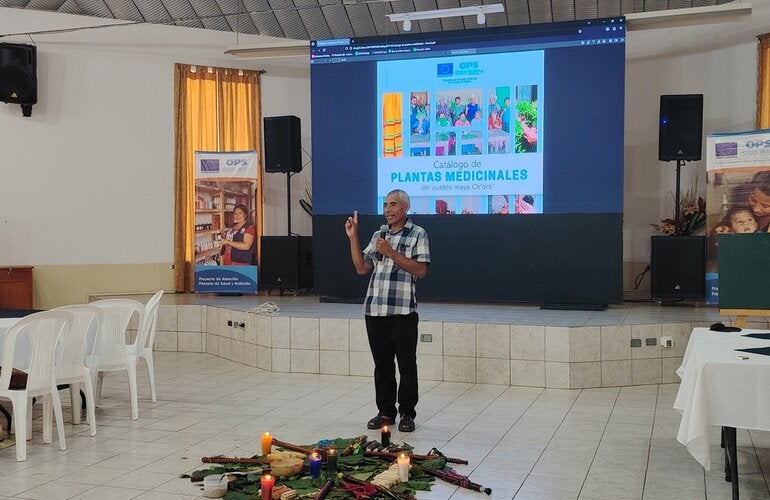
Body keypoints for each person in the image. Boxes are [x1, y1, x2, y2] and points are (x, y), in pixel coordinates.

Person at [344, 190, 430, 433]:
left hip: (402, 311)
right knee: (382, 365)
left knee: (406, 364)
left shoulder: (418, 234)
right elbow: (362, 268)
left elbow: (421, 270)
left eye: (393, 205)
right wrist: (353, 237)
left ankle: (406, 413)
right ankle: (385, 412)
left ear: (405, 208)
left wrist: (391, 252)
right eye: (385, 205)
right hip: (375, 309)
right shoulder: (378, 234)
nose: (388, 209)